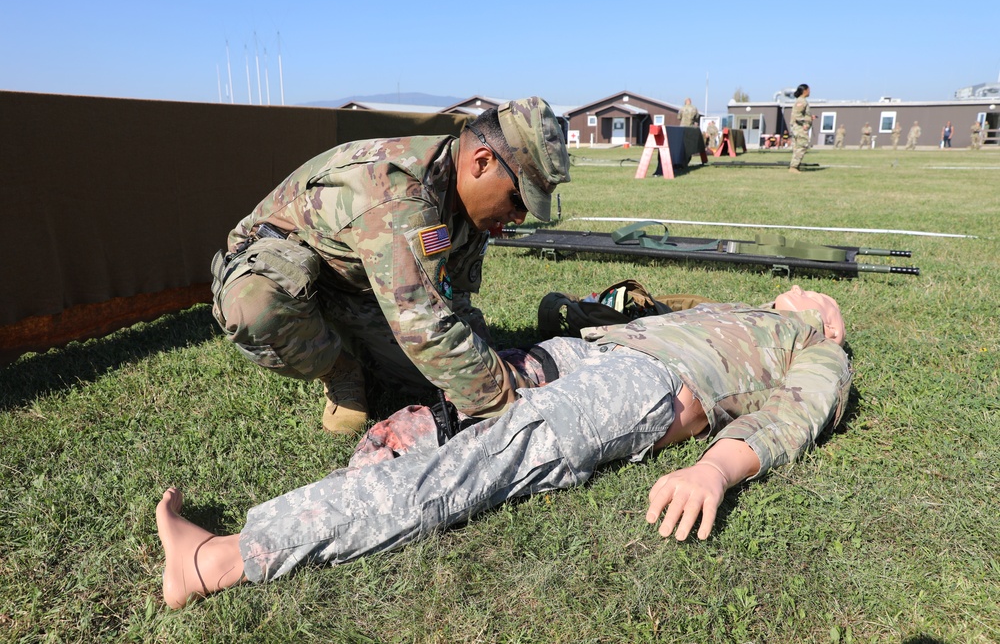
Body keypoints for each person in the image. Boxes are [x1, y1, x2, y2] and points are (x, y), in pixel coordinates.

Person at [156, 286, 852, 609]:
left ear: (825, 319)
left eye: (812, 295)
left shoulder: (815, 345)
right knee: (447, 408)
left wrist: (713, 468)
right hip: (591, 351)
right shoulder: (738, 311)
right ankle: (367, 489)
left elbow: (794, 416)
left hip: (649, 384)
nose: (797, 290)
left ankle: (216, 559)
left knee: (481, 462)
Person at [209, 97, 571, 434]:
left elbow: (449, 297)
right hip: (289, 279)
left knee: (442, 376)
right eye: (517, 198)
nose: (520, 217)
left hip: (360, 286)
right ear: (481, 162)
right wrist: (512, 405)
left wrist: (483, 361)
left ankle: (360, 348)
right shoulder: (399, 193)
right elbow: (423, 323)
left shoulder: (466, 203)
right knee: (256, 306)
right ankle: (339, 368)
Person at [788, 84, 813, 173]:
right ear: (805, 91)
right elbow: (798, 116)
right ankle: (794, 167)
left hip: (797, 127)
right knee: (802, 146)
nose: (810, 91)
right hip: (799, 128)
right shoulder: (802, 101)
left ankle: (795, 166)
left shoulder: (801, 101)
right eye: (809, 90)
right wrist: (808, 120)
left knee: (797, 147)